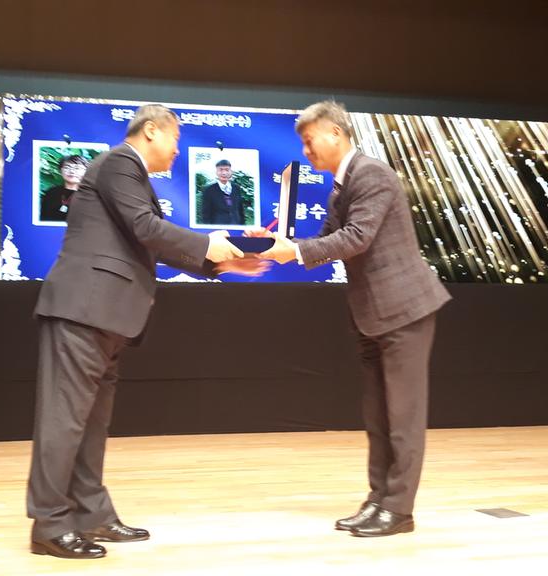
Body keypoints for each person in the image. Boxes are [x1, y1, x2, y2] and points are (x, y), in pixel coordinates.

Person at [27, 104, 266, 559]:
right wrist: (208, 243)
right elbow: (146, 228)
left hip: (106, 315)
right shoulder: (120, 162)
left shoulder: (131, 177)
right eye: (176, 139)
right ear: (151, 130)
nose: (178, 150)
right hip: (84, 309)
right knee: (64, 420)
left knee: (91, 424)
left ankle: (91, 515)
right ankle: (50, 524)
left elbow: (151, 242)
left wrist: (225, 262)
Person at [256, 101, 451, 537]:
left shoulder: (371, 174)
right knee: (379, 417)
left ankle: (399, 510)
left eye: (310, 141)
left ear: (336, 134)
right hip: (372, 315)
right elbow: (328, 239)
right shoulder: (341, 188)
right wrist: (275, 243)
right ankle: (379, 500)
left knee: (402, 417)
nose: (306, 151)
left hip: (403, 310)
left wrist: (296, 252)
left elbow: (357, 237)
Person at [39, 155, 88, 222]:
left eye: (77, 168)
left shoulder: (90, 195)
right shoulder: (52, 192)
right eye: (67, 167)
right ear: (60, 170)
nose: (72, 171)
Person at [200, 159, 247, 225]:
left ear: (231, 172)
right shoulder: (209, 190)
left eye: (227, 170)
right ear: (216, 172)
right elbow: (205, 214)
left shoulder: (236, 188)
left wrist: (242, 227)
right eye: (221, 170)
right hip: (218, 228)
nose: (224, 173)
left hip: (236, 226)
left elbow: (240, 210)